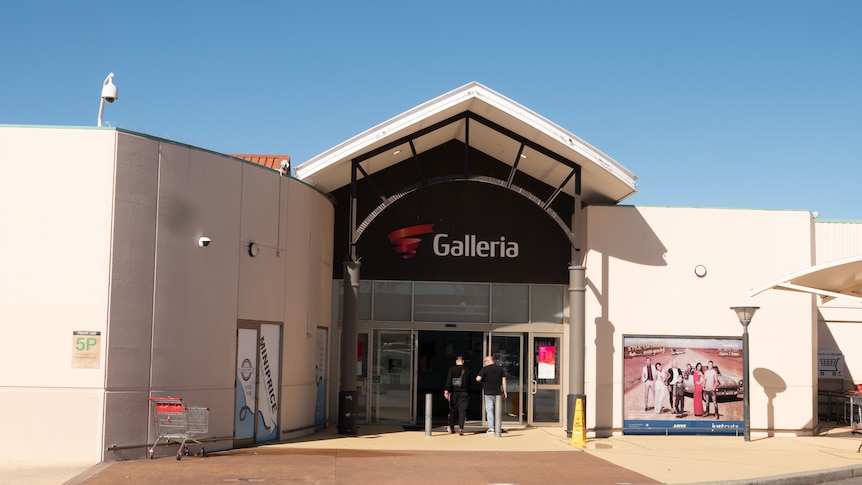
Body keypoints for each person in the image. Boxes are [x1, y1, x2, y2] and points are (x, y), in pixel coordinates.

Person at [476, 355, 507, 434]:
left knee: (490, 410)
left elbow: (478, 378)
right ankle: (498, 427)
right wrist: (505, 391)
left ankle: (491, 428)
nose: (485, 363)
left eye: (485, 361)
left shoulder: (485, 369)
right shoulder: (500, 369)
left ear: (489, 361)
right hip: (498, 393)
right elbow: (504, 380)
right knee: (498, 410)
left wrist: (483, 381)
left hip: (488, 393)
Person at [444, 354, 470, 435]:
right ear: (463, 361)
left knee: (453, 410)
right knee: (462, 411)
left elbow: (448, 381)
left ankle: (451, 427)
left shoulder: (452, 370)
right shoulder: (467, 370)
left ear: (456, 361)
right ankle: (461, 428)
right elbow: (469, 382)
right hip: (464, 392)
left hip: (454, 393)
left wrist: (446, 390)